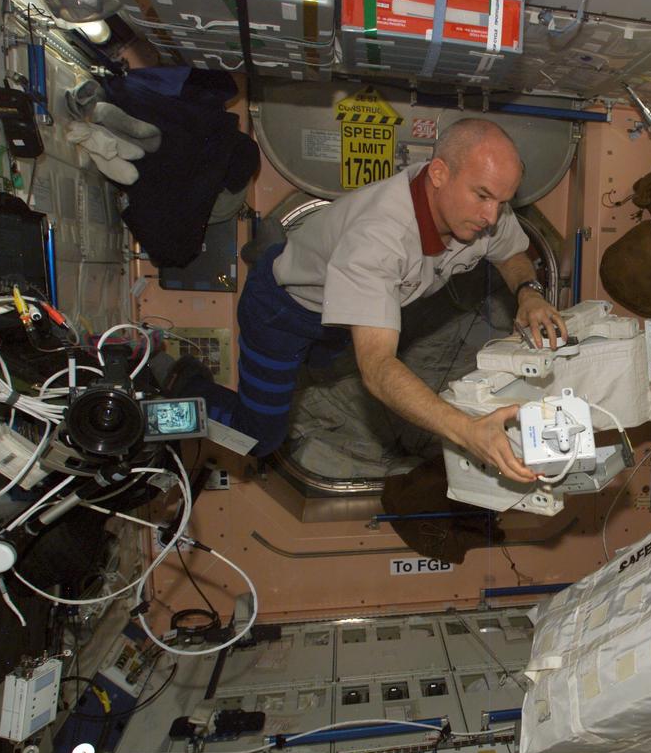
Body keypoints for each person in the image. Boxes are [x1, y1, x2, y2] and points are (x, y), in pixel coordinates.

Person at [167, 118, 566, 482]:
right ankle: (181, 384)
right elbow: (376, 367)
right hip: (283, 313)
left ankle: (293, 271)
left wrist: (527, 293)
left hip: (336, 318)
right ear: (440, 173)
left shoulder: (481, 210)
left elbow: (510, 251)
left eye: (502, 201)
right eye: (482, 197)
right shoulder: (377, 239)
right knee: (259, 437)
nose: (492, 216)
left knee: (324, 361)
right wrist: (467, 431)